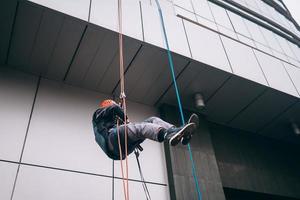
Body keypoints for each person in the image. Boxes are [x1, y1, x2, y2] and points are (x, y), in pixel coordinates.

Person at [92, 99, 198, 160]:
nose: (113, 103)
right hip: (113, 140)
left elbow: (116, 113)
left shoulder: (109, 122)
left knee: (152, 120)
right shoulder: (98, 113)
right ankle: (167, 134)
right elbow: (115, 108)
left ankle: (178, 132)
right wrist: (126, 119)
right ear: (104, 105)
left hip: (122, 149)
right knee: (141, 128)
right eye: (111, 102)